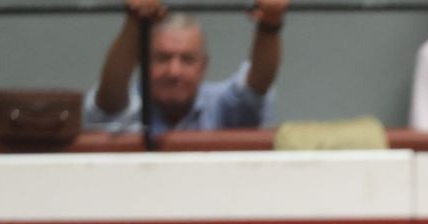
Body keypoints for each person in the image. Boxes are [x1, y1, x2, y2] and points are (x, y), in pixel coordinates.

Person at [86, 0, 289, 136]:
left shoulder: (221, 105)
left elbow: (257, 85)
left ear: (203, 66)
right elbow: (109, 102)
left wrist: (270, 24)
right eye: (163, 58)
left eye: (187, 60)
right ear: (143, 62)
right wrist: (134, 22)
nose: (174, 72)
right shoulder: (133, 104)